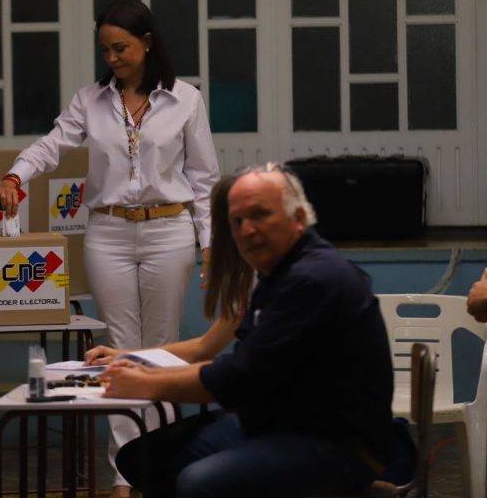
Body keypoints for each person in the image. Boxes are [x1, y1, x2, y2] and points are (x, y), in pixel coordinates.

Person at [0, 1, 219, 497]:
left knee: (160, 349)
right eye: (105, 50)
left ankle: (159, 467)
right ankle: (124, 475)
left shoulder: (186, 99)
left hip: (169, 230)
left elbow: (204, 181)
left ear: (147, 43)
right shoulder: (90, 100)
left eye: (121, 48)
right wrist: (15, 175)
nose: (112, 58)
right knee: (118, 350)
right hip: (108, 233)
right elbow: (51, 145)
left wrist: (212, 248)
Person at [104, 163, 407, 498]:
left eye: (260, 215)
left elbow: (239, 377)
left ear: (299, 218)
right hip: (283, 422)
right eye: (237, 222)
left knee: (197, 482)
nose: (247, 230)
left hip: (335, 443)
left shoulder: (313, 279)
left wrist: (147, 383)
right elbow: (238, 363)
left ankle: (359, 489)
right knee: (143, 458)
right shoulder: (276, 275)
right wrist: (140, 370)